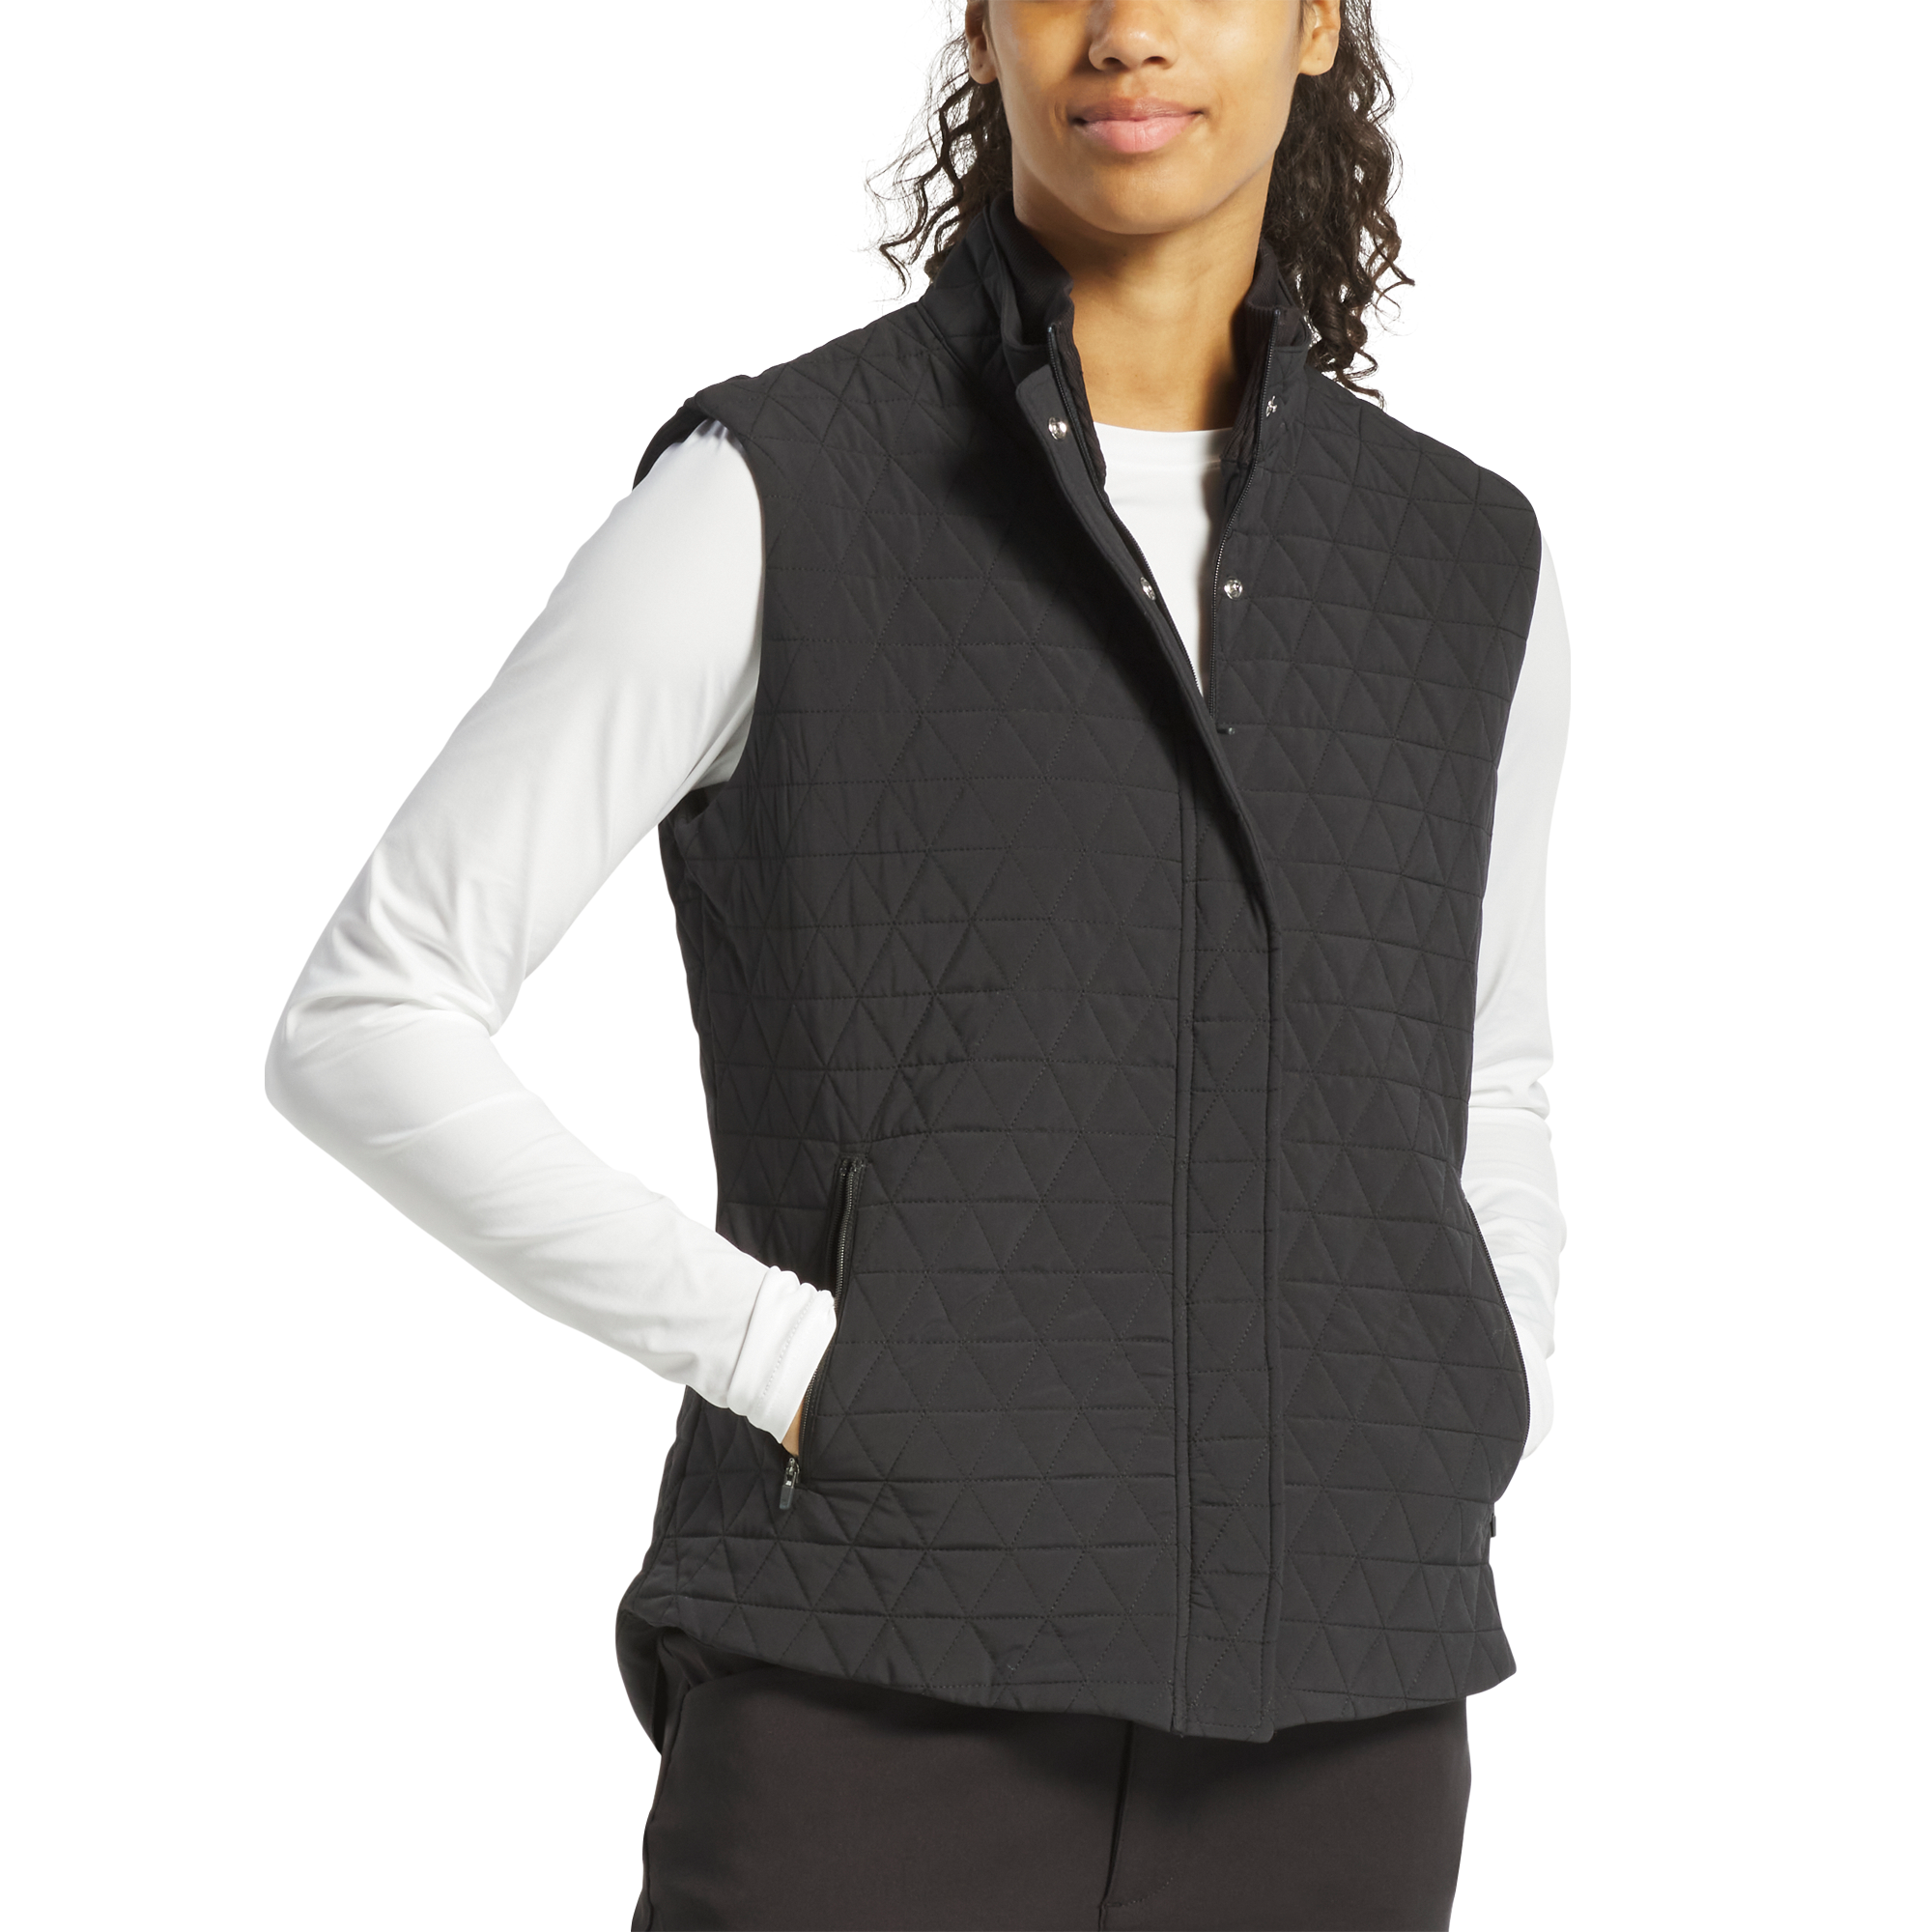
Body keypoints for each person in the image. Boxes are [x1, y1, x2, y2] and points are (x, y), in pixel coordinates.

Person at [270, 0, 1564, 1924]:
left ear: (1316, 24)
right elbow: (382, 1004)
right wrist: (788, 1360)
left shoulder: (1456, 555)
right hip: (873, 1685)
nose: (1128, 29)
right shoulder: (780, 486)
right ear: (979, 31)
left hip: (1345, 1714)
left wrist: (1472, 1387)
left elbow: (1504, 1067)